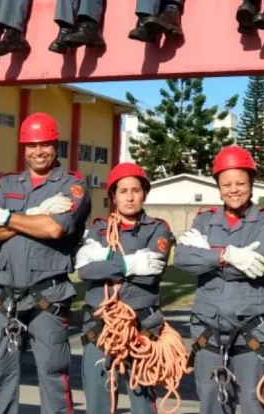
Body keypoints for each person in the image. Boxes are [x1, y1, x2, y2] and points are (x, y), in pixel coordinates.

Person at [0, 112, 91, 414]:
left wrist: (9, 217)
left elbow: (55, 229)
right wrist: (36, 215)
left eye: (45, 144)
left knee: (53, 376)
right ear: (23, 147)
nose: (38, 151)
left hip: (47, 297)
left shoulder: (73, 185)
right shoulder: (8, 183)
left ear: (56, 146)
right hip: (5, 298)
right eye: (31, 145)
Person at [173, 145, 264, 414]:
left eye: (240, 183)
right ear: (218, 187)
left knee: (256, 404)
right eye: (227, 184)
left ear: (252, 184)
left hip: (253, 333)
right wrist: (227, 255)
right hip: (208, 334)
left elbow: (261, 262)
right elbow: (183, 258)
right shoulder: (205, 221)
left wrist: (207, 256)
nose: (234, 190)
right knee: (212, 404)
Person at [74, 162, 172, 414]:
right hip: (100, 330)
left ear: (144, 193)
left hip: (142, 330)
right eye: (123, 191)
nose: (129, 197)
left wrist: (105, 257)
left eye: (136, 190)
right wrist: (132, 262)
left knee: (142, 404)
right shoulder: (98, 229)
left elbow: (151, 274)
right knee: (98, 403)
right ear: (113, 196)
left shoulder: (158, 228)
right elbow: (85, 271)